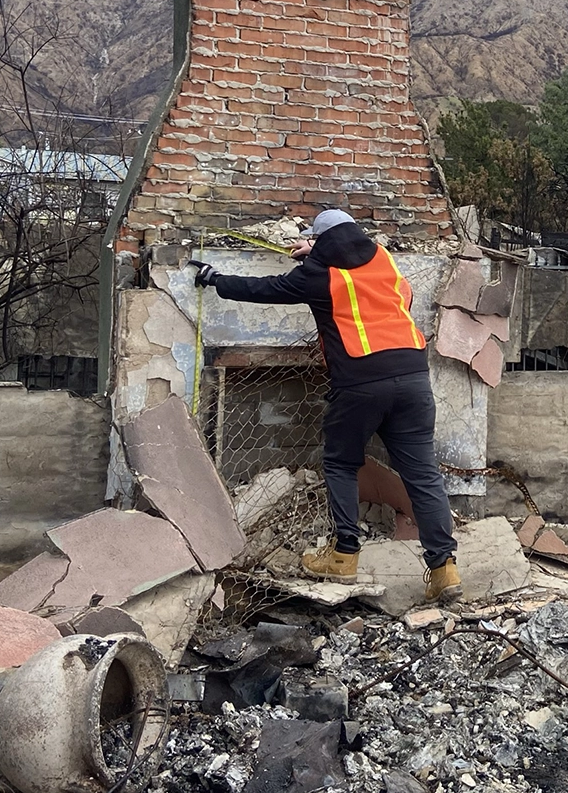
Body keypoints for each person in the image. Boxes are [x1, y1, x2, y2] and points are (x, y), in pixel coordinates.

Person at [192, 209, 461, 603]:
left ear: (319, 241)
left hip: (360, 383)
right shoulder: (383, 257)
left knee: (340, 462)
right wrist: (319, 255)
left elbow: (267, 288)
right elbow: (404, 294)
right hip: (413, 377)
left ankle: (344, 556)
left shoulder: (319, 276)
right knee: (422, 474)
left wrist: (216, 279)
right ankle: (445, 570)